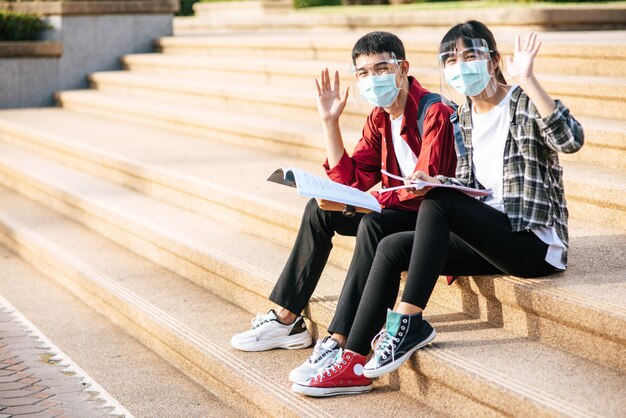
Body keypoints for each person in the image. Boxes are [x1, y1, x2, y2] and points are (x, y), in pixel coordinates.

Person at [292, 21, 584, 397]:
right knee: (391, 245)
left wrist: (529, 80)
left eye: (470, 55)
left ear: (494, 61)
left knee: (439, 202)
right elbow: (468, 186)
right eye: (450, 59)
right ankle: (352, 360)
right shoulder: (462, 117)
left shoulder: (522, 104)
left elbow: (571, 139)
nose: (460, 66)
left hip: (533, 245)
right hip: (488, 240)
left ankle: (410, 320)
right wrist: (435, 182)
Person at [230, 31, 457, 387]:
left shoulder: (434, 112)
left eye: (381, 68)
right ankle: (287, 318)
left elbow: (426, 190)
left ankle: (339, 340)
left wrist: (372, 203)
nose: (372, 78)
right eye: (363, 73)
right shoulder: (380, 118)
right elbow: (352, 180)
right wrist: (329, 122)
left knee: (371, 226)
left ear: (403, 68)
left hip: (434, 221)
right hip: (397, 211)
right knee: (318, 210)